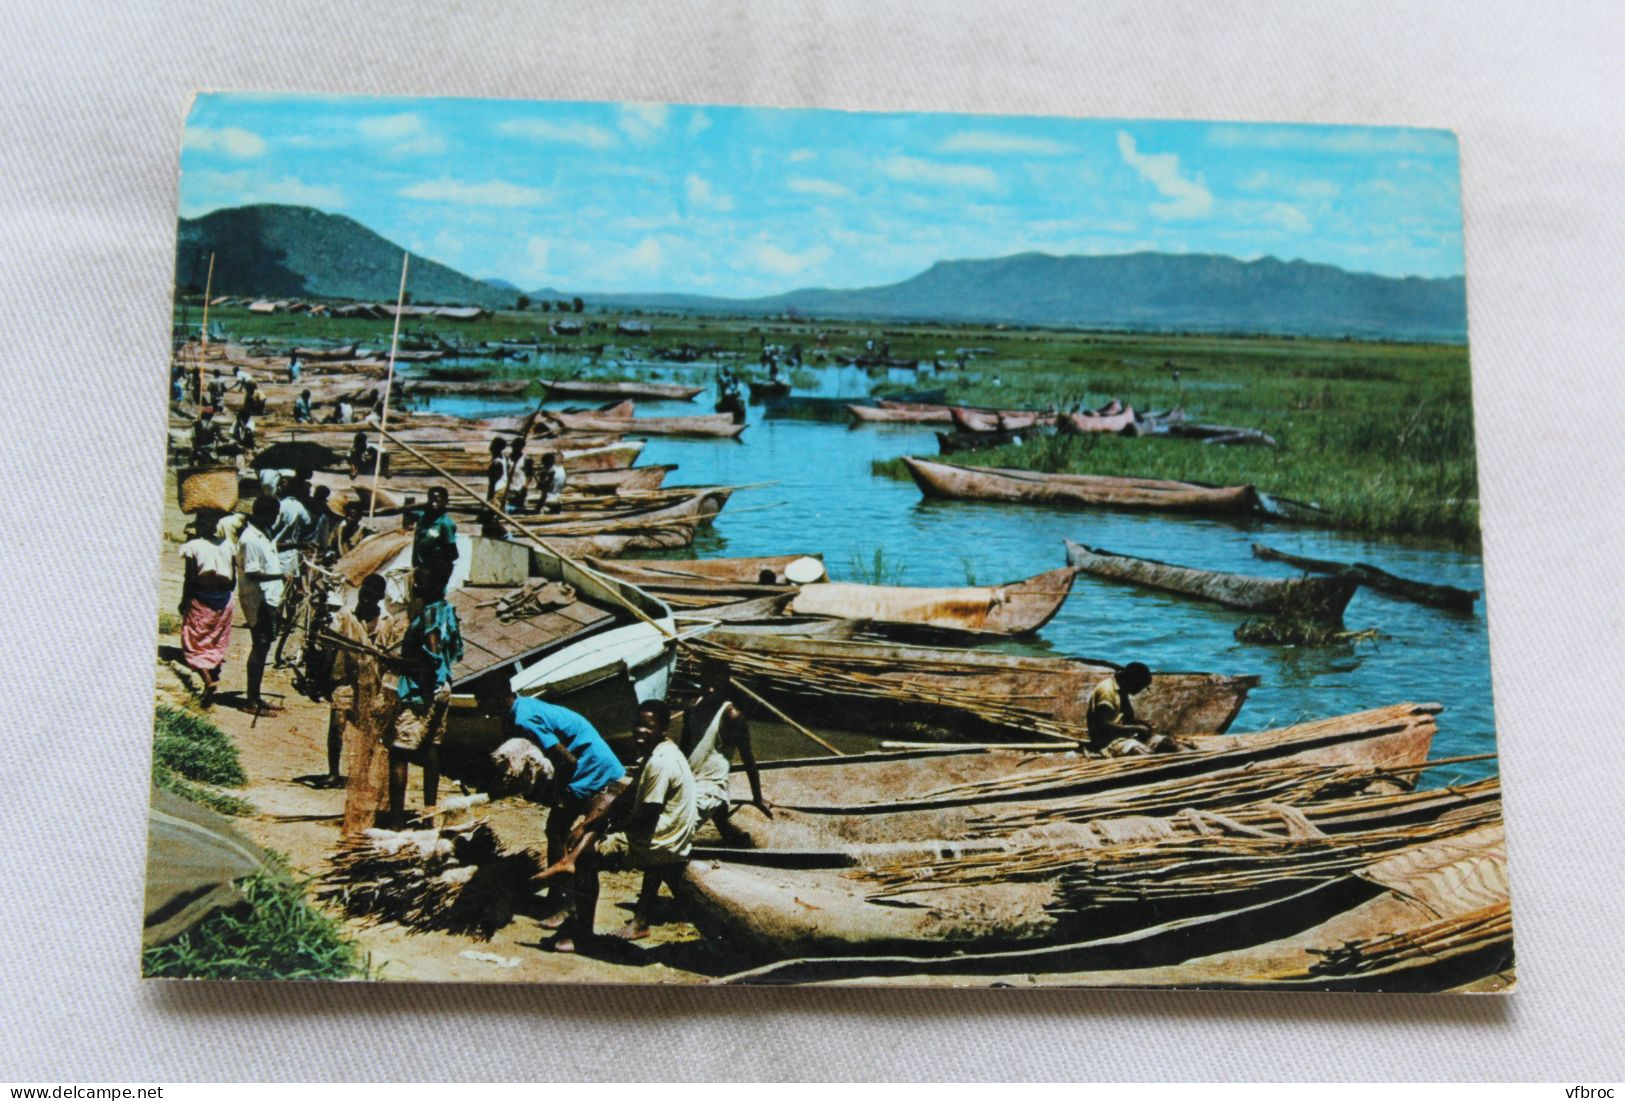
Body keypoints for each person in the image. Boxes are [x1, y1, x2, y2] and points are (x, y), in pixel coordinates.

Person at [475, 680, 628, 953]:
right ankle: (561, 897)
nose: (478, 706)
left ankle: (563, 902)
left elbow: (566, 760)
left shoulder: (524, 718)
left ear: (498, 697)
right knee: (557, 831)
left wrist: (558, 795)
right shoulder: (517, 711)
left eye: (482, 700)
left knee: (561, 832)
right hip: (586, 762)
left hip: (592, 767)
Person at [597, 699, 697, 941]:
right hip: (670, 833)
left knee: (588, 856)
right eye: (637, 725)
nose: (639, 731)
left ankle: (576, 926)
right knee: (605, 814)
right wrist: (604, 817)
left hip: (664, 840)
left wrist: (611, 830)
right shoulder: (661, 751)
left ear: (663, 729)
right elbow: (630, 793)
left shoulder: (660, 762)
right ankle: (641, 921)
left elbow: (646, 816)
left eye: (647, 726)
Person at [329, 573, 405, 823]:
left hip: (374, 684)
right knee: (338, 721)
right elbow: (331, 642)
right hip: (348, 681)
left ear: (379, 598)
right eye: (364, 595)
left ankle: (364, 776)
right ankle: (333, 772)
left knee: (371, 734)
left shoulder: (387, 622)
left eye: (373, 597)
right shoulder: (346, 616)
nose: (367, 601)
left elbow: (391, 653)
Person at [389, 593, 463, 826]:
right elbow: (454, 652)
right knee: (430, 749)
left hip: (421, 692)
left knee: (399, 753)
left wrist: (398, 663)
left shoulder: (429, 614)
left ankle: (397, 822)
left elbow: (431, 661)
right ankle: (429, 815)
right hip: (443, 688)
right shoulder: (446, 610)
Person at [684, 659, 771, 831]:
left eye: (716, 685)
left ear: (725, 685)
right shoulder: (691, 708)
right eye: (706, 683)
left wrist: (758, 798)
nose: (710, 689)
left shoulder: (732, 717)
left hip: (711, 789)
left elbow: (748, 760)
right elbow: (683, 750)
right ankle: (723, 824)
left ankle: (720, 815)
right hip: (689, 781)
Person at [177, 510, 237, 707]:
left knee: (194, 641)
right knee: (215, 639)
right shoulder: (228, 545)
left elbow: (190, 578)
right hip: (225, 600)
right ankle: (214, 670)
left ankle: (208, 680)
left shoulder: (193, 546)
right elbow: (233, 580)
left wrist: (184, 601)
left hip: (202, 599)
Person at [236, 495, 286, 717]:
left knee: (264, 646)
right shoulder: (250, 539)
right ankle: (250, 701)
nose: (276, 519)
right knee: (260, 645)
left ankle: (255, 696)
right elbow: (252, 572)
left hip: (269, 598)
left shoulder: (264, 534)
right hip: (258, 600)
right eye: (274, 515)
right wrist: (281, 575)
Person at [1084, 661, 1174, 755]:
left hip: (1124, 737)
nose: (1139, 690)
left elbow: (1128, 720)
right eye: (1139, 686)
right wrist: (1137, 728)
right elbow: (1102, 725)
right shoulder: (1107, 690)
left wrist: (1144, 723)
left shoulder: (1122, 690)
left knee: (1168, 743)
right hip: (1107, 741)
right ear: (1131, 680)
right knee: (1144, 755)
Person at [411, 486, 458, 601]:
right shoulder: (423, 517)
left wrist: (436, 570)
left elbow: (453, 553)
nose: (434, 503)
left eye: (437, 499)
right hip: (421, 569)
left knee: (433, 600)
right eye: (431, 499)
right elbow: (408, 512)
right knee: (420, 598)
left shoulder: (445, 524)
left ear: (446, 502)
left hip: (436, 570)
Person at [505, 439, 532, 512]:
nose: (516, 448)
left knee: (520, 510)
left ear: (522, 447)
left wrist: (524, 488)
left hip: (520, 489)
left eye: (518, 447)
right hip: (510, 489)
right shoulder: (508, 459)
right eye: (514, 446)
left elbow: (529, 477)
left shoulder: (526, 459)